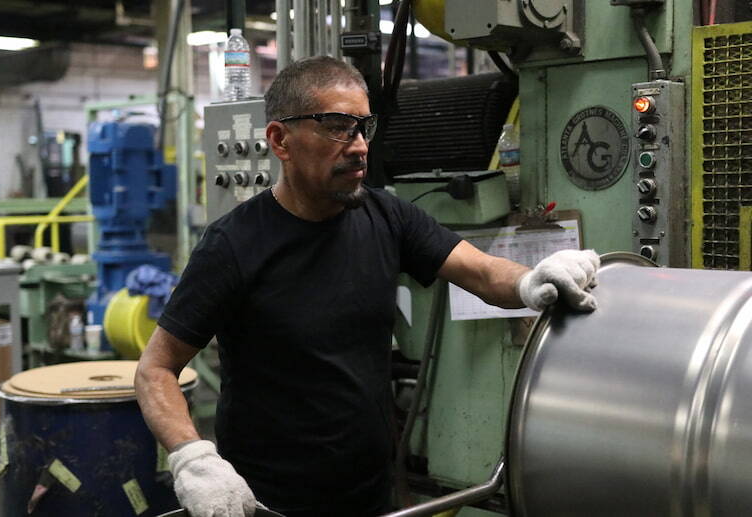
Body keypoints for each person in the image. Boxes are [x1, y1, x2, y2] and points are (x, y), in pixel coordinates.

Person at [135, 56, 599, 517]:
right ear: (280, 140)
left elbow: (481, 272)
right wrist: (193, 458)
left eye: (363, 127)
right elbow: (156, 369)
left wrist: (533, 279)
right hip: (267, 501)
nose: (358, 146)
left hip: (370, 494)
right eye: (337, 126)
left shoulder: (387, 217)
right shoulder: (233, 245)